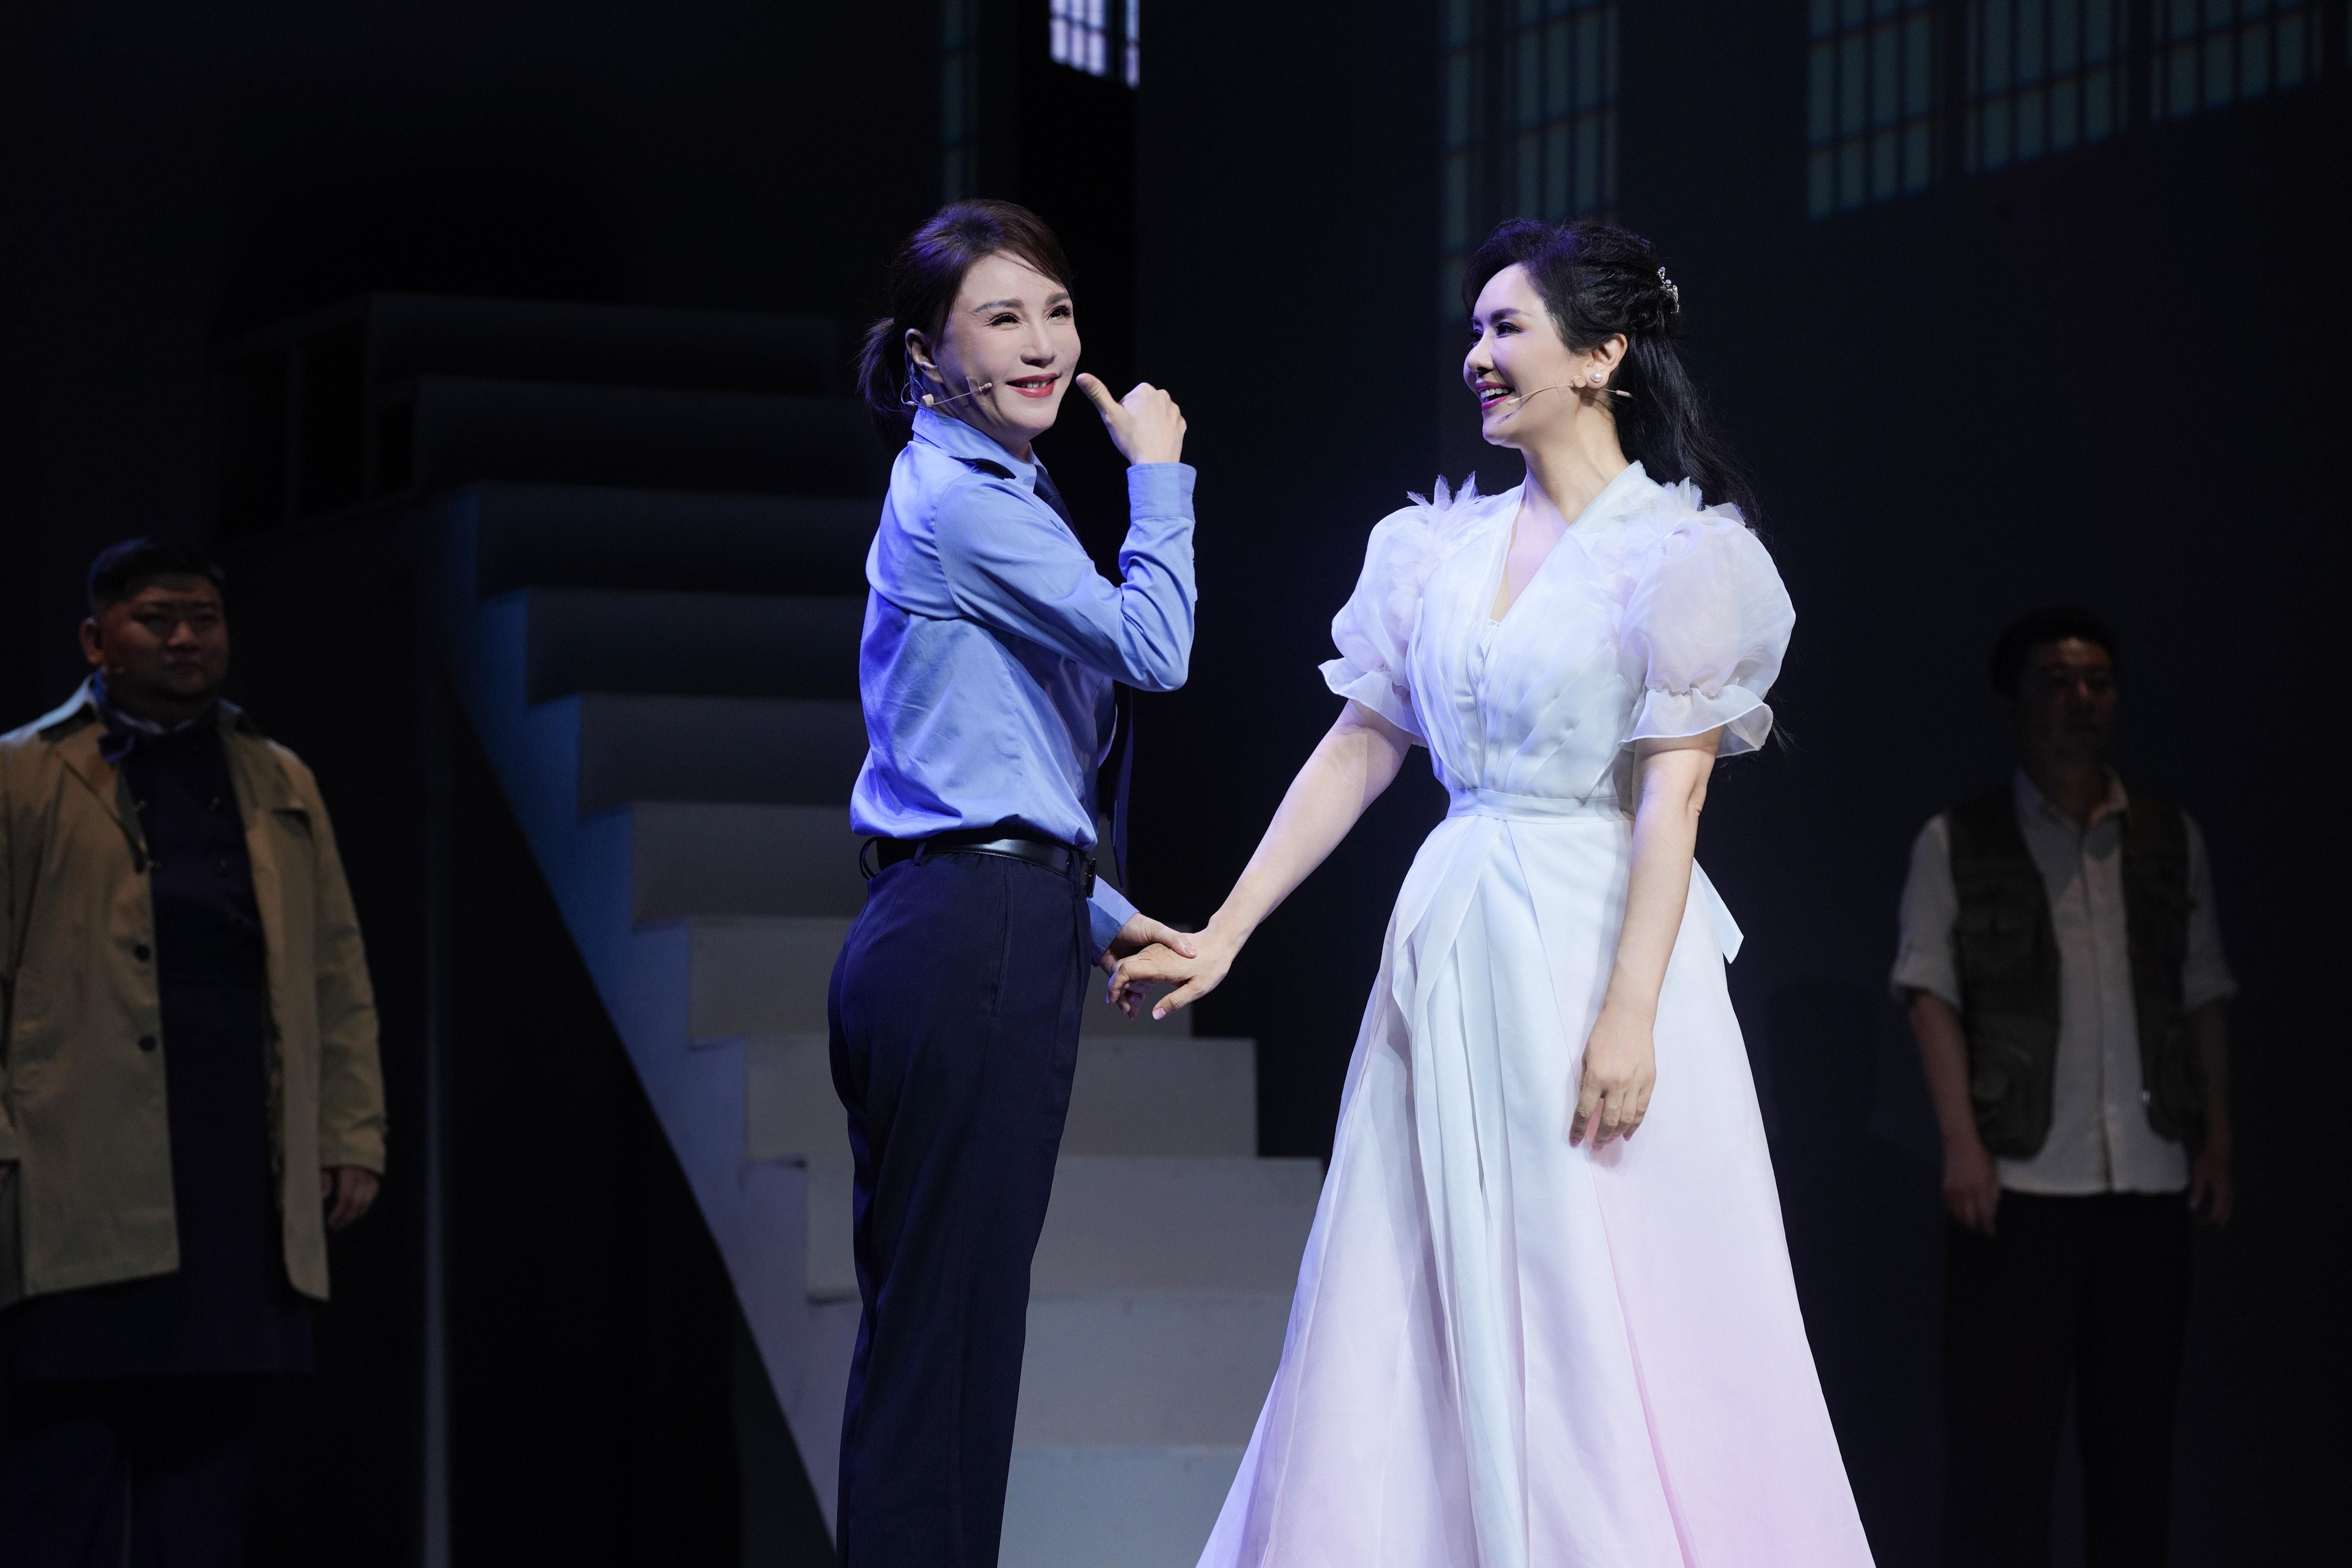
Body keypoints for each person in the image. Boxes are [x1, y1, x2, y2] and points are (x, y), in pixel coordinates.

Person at [1113, 219, 1872, 1565]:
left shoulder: (1680, 557)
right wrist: (1228, 928)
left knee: (1600, 1282)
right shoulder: (1433, 552)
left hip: (1592, 941)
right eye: (1473, 330)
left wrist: (1629, 1014)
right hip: (1454, 934)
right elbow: (1360, 744)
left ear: (1601, 355)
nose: (1477, 355)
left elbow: (1674, 801)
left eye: (1507, 327)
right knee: (1406, 1275)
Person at [828, 199, 1199, 1566]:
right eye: (1002, 317)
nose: (1044, 344)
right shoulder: (966, 502)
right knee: (949, 1351)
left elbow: (964, 745)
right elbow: (1153, 646)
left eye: (1056, 310)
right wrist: (1159, 475)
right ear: (929, 354)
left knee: (941, 1343)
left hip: (966, 917)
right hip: (967, 933)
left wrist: (1092, 908)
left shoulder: (974, 489)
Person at [0, 538, 387, 1565]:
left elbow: (335, 969)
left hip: (232, 1164)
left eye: (204, 619)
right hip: (75, 1161)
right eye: (158, 618)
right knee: (64, 1474)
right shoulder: (22, 774)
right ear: (97, 640)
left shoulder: (277, 776)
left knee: (209, 1478)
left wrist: (349, 1131)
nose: (185, 638)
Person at [1893, 606, 2234, 1567]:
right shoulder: (1959, 840)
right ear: (2014, 704)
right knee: (2001, 1462)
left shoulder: (2165, 837)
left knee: (2136, 1457)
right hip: (2019, 1189)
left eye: (2098, 683)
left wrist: (2217, 1139)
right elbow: (1927, 991)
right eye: (2057, 682)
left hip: (2148, 1185)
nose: (2081, 700)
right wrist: (1961, 1143)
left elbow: (2204, 990)